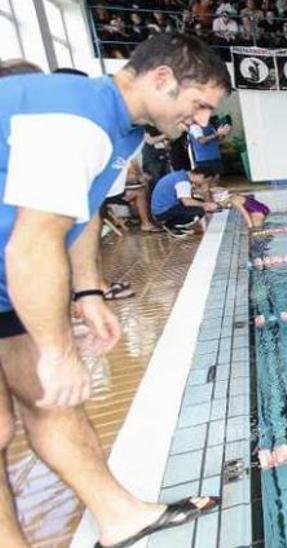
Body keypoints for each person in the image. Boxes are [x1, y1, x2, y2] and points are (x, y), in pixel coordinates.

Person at [0, 32, 226, 547]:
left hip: (6, 279)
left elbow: (83, 210)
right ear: (162, 79)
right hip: (15, 263)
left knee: (50, 402)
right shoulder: (76, 118)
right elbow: (32, 245)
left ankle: (120, 515)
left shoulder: (120, 127)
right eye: (198, 106)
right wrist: (58, 350)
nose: (201, 122)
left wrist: (87, 292)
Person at [150, 168, 219, 236]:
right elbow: (187, 202)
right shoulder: (183, 182)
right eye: (206, 181)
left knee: (199, 203)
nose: (204, 184)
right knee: (199, 211)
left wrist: (205, 197)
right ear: (200, 176)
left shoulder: (181, 176)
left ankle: (175, 224)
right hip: (163, 212)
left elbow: (188, 196)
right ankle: (172, 225)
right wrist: (205, 205)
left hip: (163, 209)